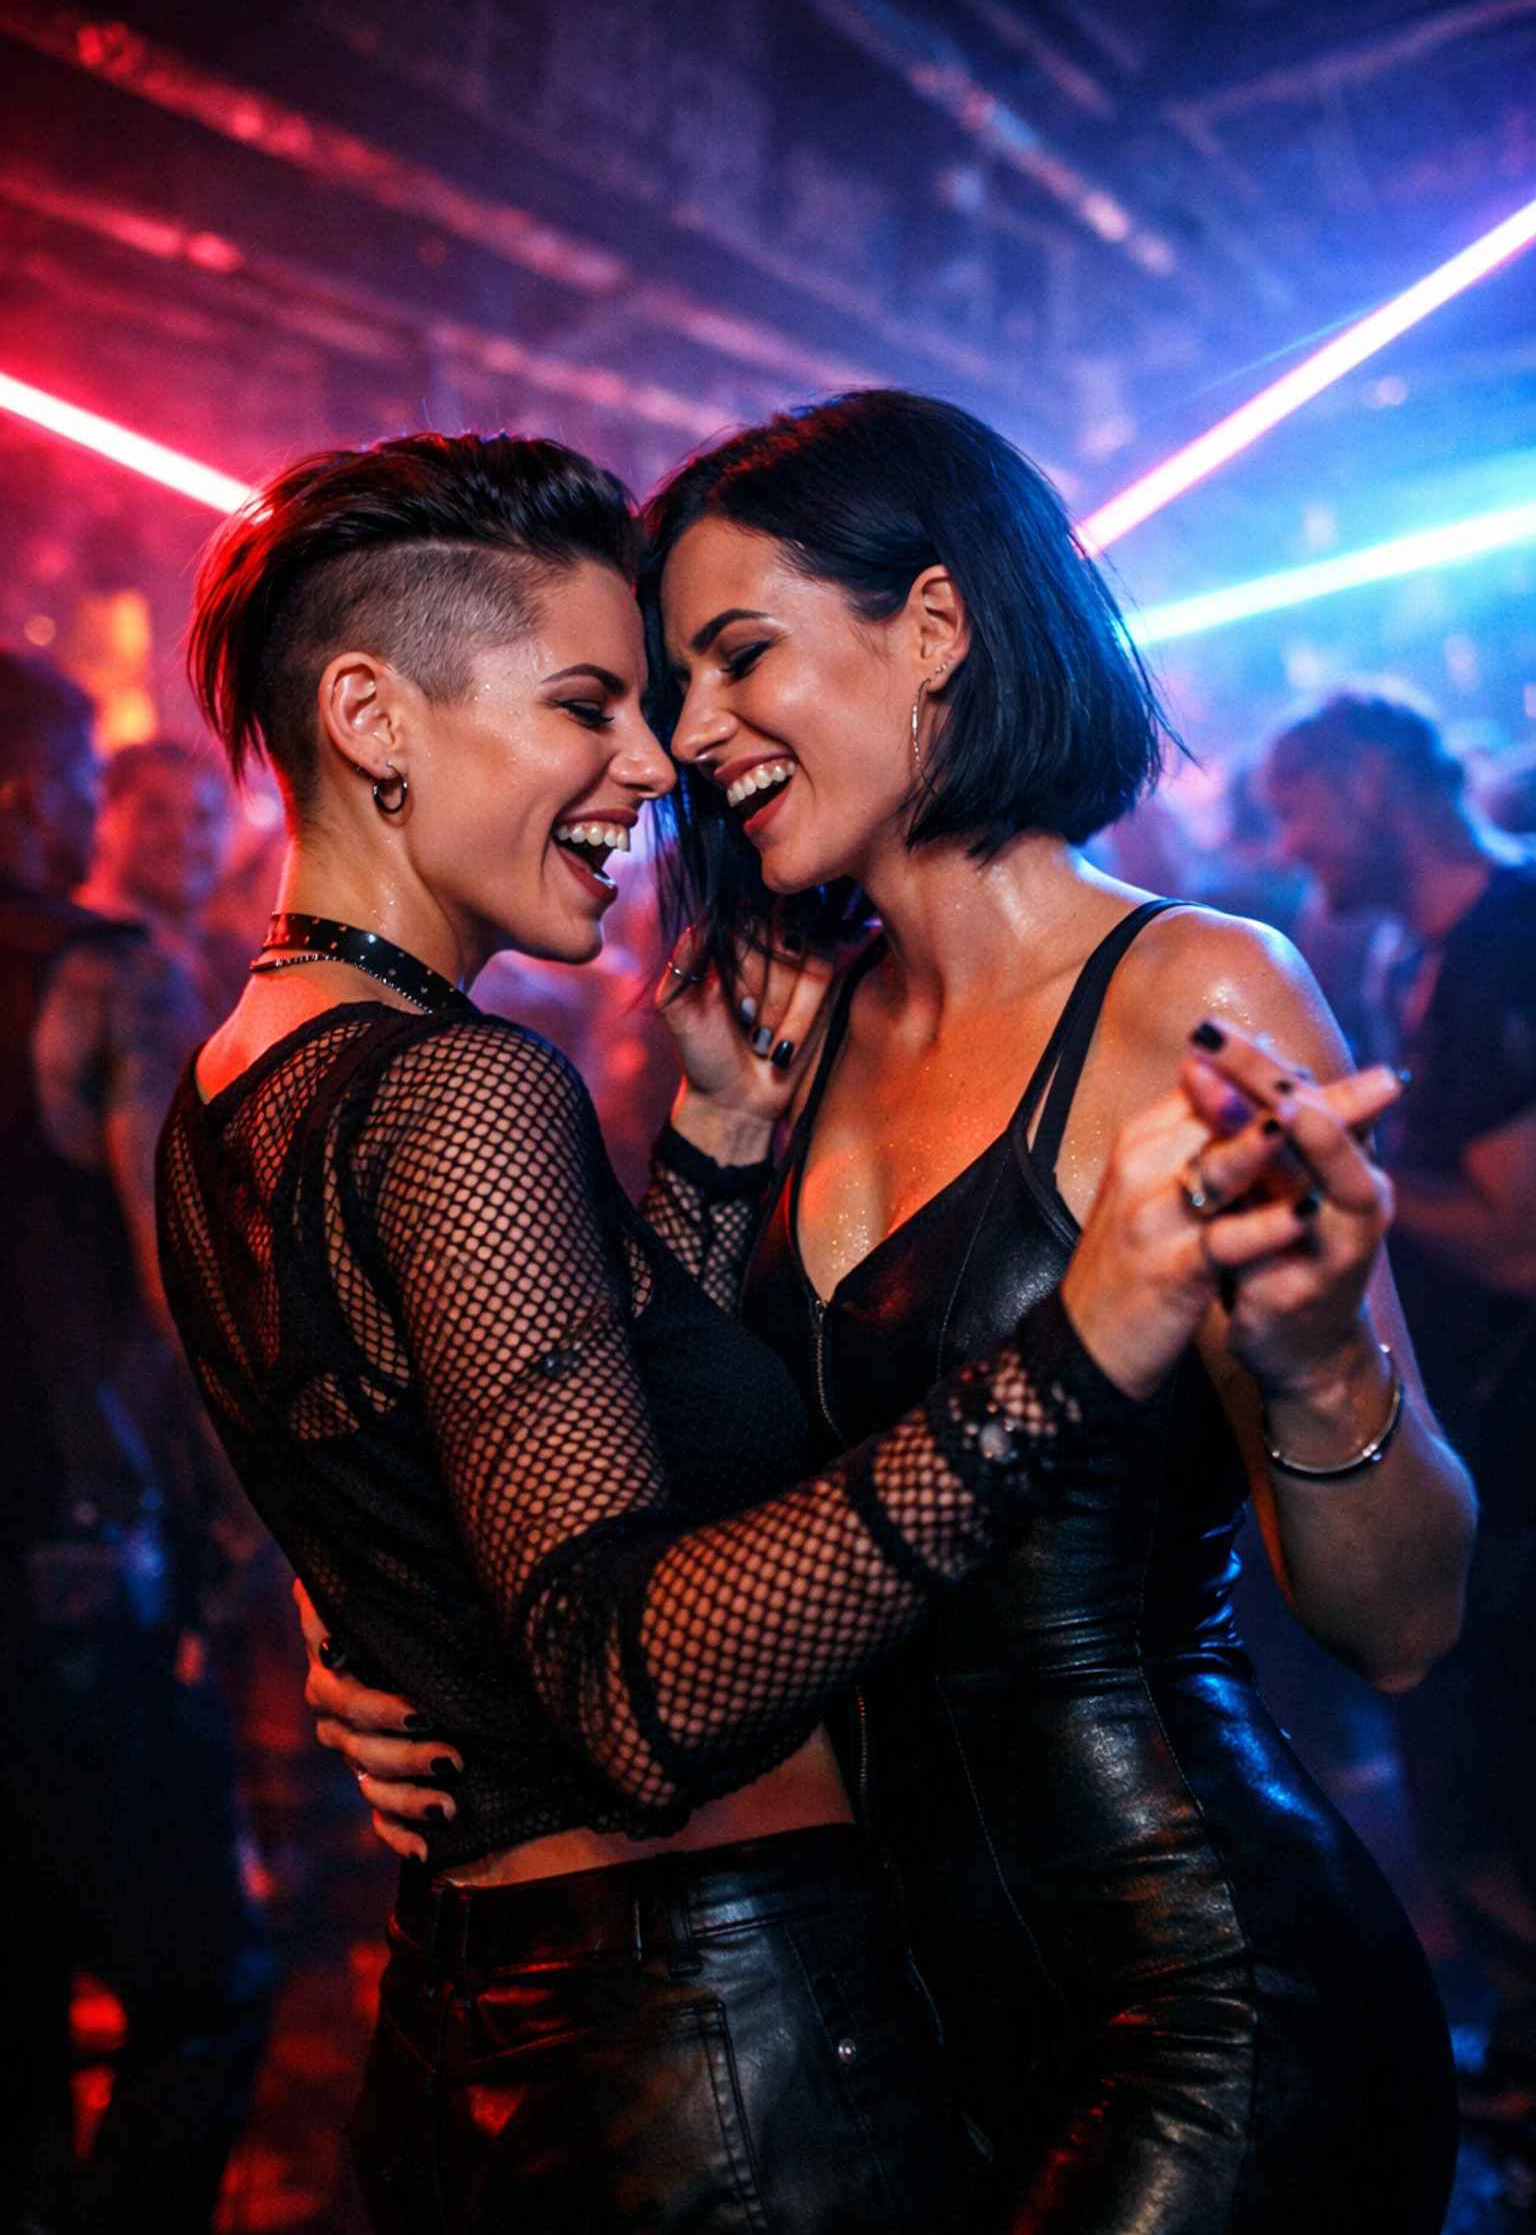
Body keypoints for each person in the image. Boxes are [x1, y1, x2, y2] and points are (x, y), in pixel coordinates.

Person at [157, 428, 1347, 2235]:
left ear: (938, 625)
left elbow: (569, 1451)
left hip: (977, 1977)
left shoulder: (232, 1079)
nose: (663, 757)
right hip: (719, 2023)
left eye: (706, 674)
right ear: (373, 720)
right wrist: (1079, 1336)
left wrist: (714, 1146)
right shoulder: (460, 1082)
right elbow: (626, 1676)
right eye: (601, 699)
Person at [0, 652, 271, 2235]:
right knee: (209, 1991)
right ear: (38, 793)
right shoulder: (103, 974)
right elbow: (187, 1305)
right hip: (77, 1570)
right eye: (92, 794)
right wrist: (254, 1528)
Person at [1267, 691, 1536, 2112]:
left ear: (1375, 784)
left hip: (1528, 1465)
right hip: (1479, 1454)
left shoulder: (1515, 937)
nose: (1288, 838)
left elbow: (1513, 1233)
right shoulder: (1401, 954)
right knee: (1464, 1783)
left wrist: (1335, 1170)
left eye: (1301, 803)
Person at [78, 735, 245, 1028]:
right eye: (155, 812)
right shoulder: (84, 955)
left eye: (203, 817)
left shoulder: (235, 961)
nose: (181, 836)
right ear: (103, 817)